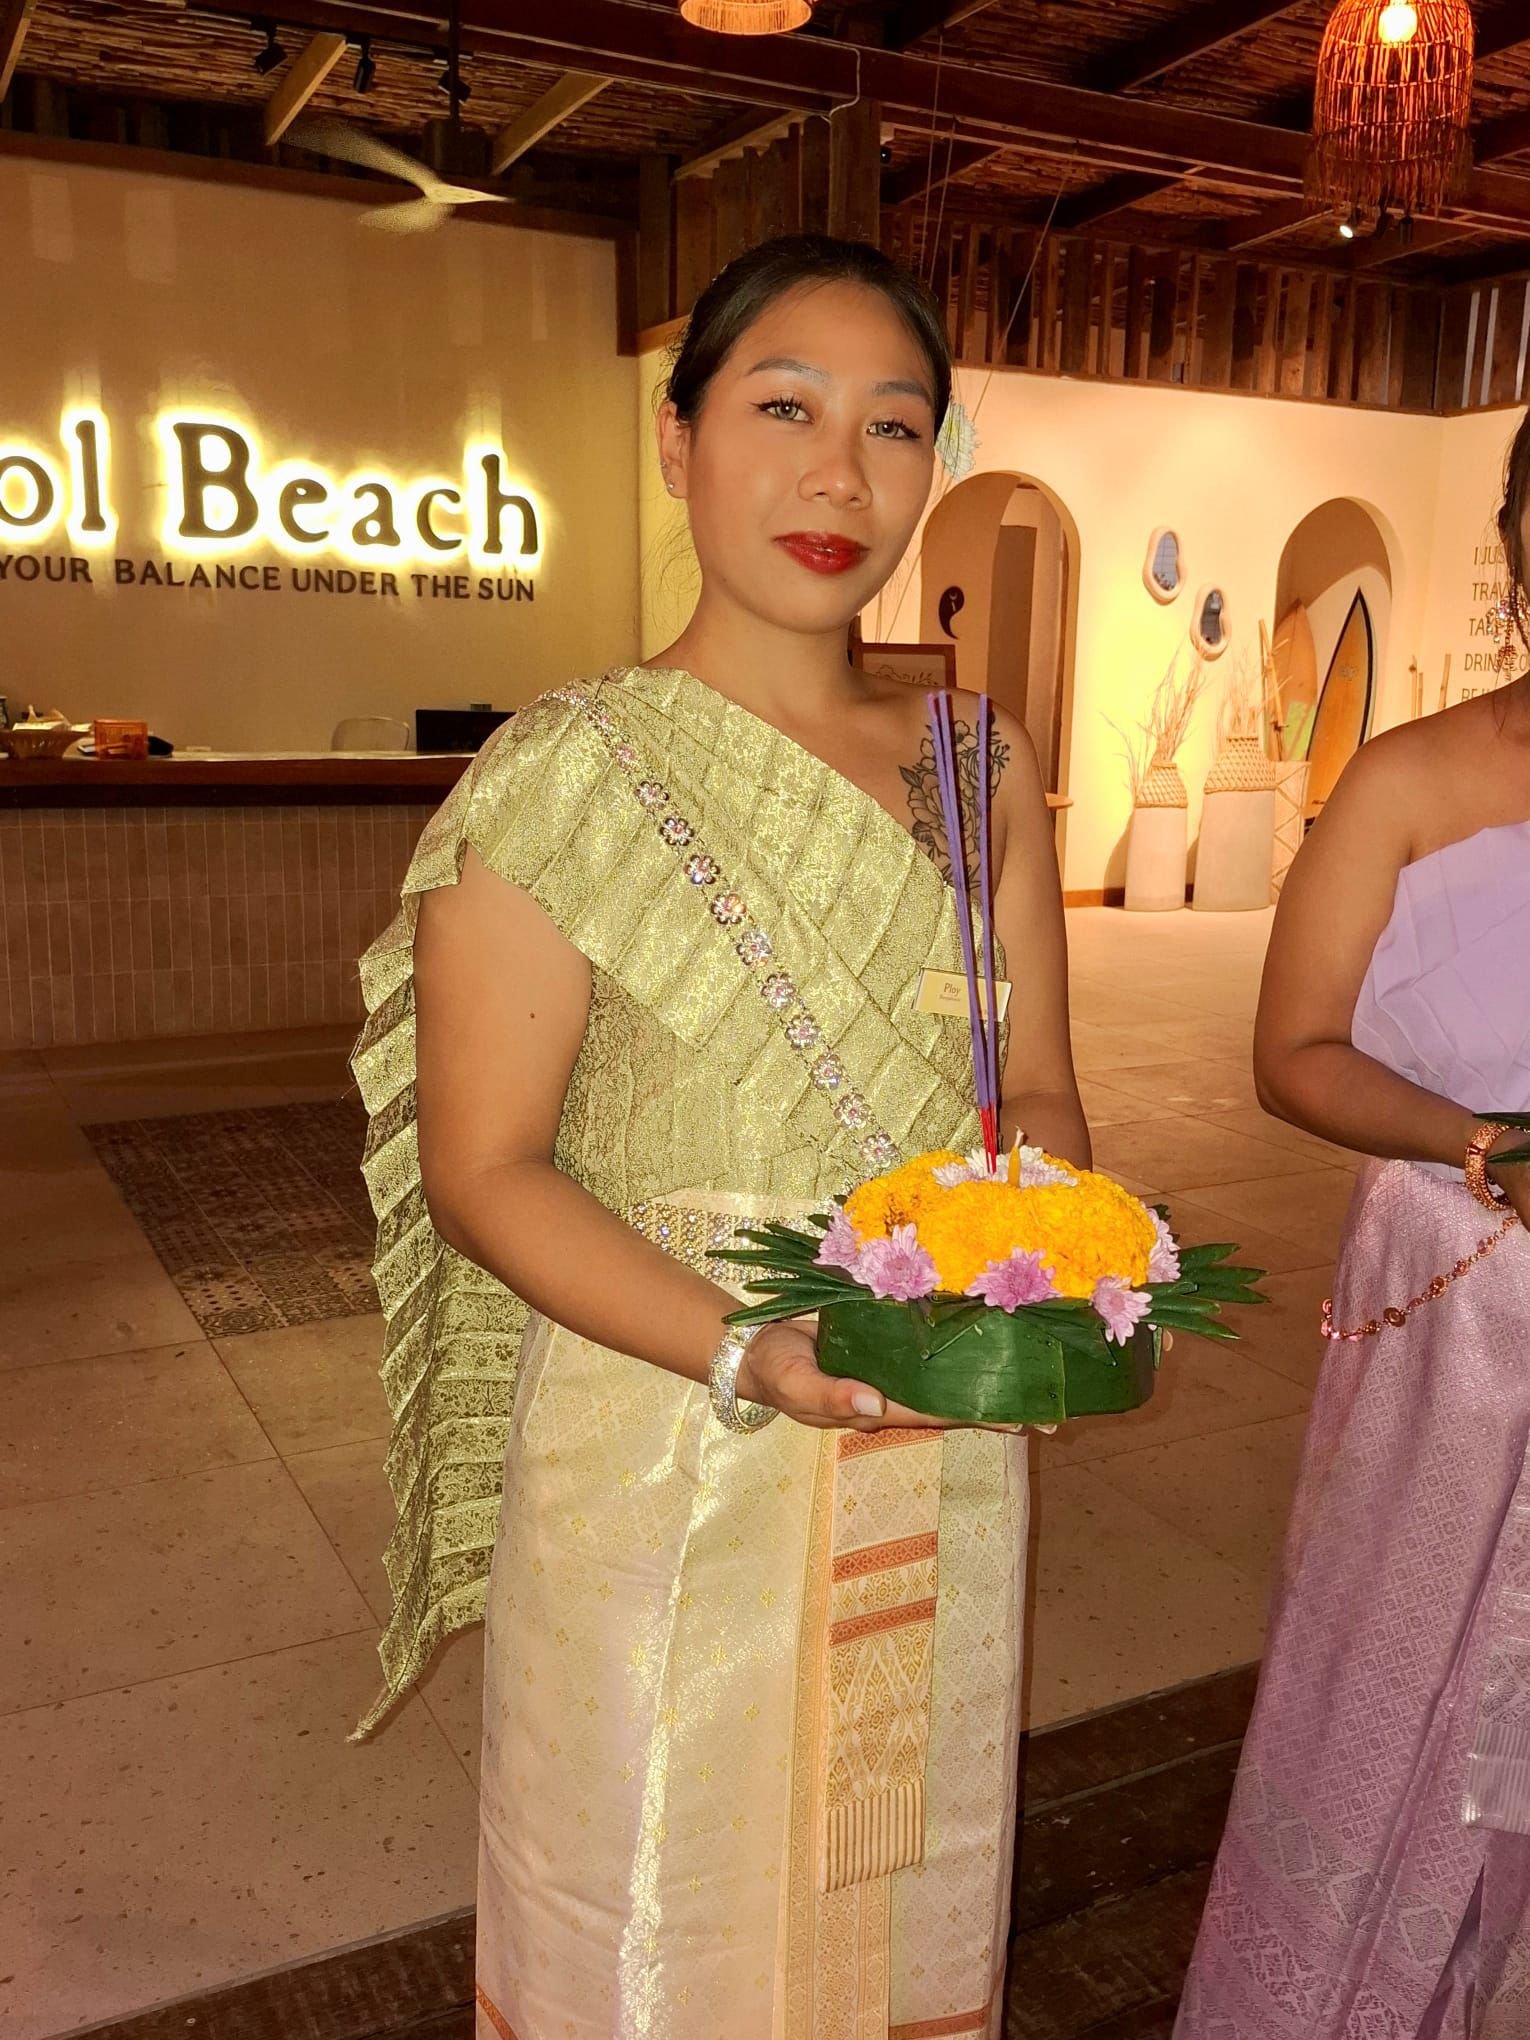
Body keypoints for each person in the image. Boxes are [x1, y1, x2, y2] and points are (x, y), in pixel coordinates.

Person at [349, 235, 1087, 2038]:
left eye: (892, 426)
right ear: (676, 442)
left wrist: (1046, 1265)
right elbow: (485, 1169)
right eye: (784, 409)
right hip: (667, 1425)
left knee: (897, 1879)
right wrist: (754, 1347)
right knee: (647, 1906)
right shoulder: (566, 774)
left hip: (930, 1412)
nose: (840, 476)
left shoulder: (974, 760)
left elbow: (1039, 1090)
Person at [1176, 428, 1530, 2035]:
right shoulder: (1406, 781)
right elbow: (1293, 1054)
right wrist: (1489, 1145)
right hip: (1458, 1289)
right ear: (1516, 542)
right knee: (1394, 1685)